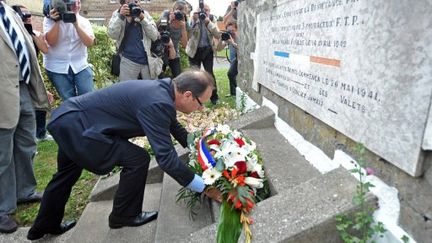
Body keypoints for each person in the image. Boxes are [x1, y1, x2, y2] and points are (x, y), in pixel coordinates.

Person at [27, 69, 218, 240]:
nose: (201, 109)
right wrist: (204, 187)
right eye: (201, 103)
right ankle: (124, 215)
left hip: (69, 120)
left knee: (66, 175)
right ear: (187, 95)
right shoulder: (158, 102)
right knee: (138, 159)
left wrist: (200, 150)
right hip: (81, 129)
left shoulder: (162, 90)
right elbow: (166, 159)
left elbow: (172, 125)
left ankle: (43, 226)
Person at [0, 0, 49, 234]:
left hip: (22, 87)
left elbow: (24, 48)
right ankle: (2, 208)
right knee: (2, 153)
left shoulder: (9, 10)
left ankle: (24, 192)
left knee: (26, 143)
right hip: (1, 92)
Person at [13, 4, 54, 141]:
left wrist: (30, 32)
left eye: (29, 14)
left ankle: (41, 133)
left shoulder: (34, 33)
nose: (28, 17)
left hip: (33, 73)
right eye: (24, 14)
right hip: (17, 76)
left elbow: (45, 49)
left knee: (41, 101)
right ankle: (25, 136)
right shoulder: (12, 35)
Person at [43, 0, 95, 101]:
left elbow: (89, 43)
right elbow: (51, 42)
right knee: (69, 100)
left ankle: (87, 116)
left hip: (80, 65)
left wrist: (75, 23)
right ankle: (74, 117)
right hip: (57, 67)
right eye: (73, 2)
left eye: (78, 2)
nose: (76, 5)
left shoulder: (84, 21)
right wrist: (57, 21)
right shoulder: (50, 20)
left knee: (88, 97)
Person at [107, 0, 162, 81]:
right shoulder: (118, 13)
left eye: (136, 1)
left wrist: (142, 19)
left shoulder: (144, 14)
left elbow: (154, 36)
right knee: (128, 91)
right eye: (129, 1)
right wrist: (121, 17)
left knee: (149, 90)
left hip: (147, 62)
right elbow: (112, 35)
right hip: (127, 62)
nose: (133, 3)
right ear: (124, 2)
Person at [186, 3, 221, 104]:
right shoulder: (193, 19)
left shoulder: (211, 19)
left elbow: (218, 35)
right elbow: (188, 34)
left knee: (209, 74)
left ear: (209, 11)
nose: (204, 12)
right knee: (193, 76)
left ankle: (214, 98)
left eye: (207, 10)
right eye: (202, 10)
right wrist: (194, 20)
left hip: (207, 50)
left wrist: (208, 22)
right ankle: (193, 98)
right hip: (194, 51)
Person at [156, 0, 190, 78]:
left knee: (178, 77)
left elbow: (185, 45)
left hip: (174, 52)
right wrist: (169, 20)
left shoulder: (184, 23)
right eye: (178, 10)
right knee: (159, 77)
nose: (179, 14)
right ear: (173, 10)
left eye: (182, 12)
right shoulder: (166, 14)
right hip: (161, 51)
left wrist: (183, 28)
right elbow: (157, 28)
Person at [217, 20, 238, 97]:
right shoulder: (228, 38)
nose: (231, 33)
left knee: (233, 74)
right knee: (231, 73)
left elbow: (241, 49)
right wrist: (221, 40)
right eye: (229, 31)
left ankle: (237, 92)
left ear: (236, 29)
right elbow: (218, 49)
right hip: (236, 58)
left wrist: (232, 42)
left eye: (232, 30)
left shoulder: (240, 36)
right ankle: (234, 93)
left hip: (243, 59)